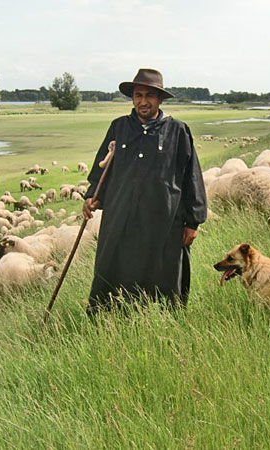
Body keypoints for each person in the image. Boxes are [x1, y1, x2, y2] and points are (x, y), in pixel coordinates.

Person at [83, 68, 207, 314]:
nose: (143, 101)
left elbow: (191, 176)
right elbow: (102, 168)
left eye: (149, 96)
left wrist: (193, 221)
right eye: (138, 95)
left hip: (164, 220)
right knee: (115, 267)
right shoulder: (119, 128)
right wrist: (91, 196)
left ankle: (160, 320)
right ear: (132, 98)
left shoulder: (178, 131)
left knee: (163, 271)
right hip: (122, 218)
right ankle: (110, 317)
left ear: (160, 99)